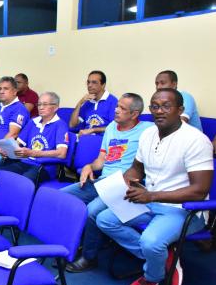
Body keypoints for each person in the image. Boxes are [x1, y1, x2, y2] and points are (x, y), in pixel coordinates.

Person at [96, 89, 213, 285]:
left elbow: (199, 190)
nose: (160, 111)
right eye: (155, 106)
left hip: (184, 210)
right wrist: (122, 183)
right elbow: (136, 169)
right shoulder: (148, 134)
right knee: (105, 219)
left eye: (166, 106)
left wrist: (151, 196)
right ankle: (163, 257)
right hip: (149, 201)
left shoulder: (196, 140)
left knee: (151, 241)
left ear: (180, 110)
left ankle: (153, 276)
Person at [61, 93, 154, 272]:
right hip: (103, 181)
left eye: (122, 108)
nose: (116, 110)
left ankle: (89, 257)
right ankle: (72, 243)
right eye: (117, 106)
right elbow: (102, 159)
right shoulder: (112, 126)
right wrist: (89, 166)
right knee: (62, 197)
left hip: (122, 185)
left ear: (134, 114)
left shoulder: (147, 130)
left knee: (92, 211)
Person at [0, 92, 68, 183]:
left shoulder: (61, 125)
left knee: (22, 183)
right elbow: (18, 143)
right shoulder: (33, 122)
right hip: (25, 162)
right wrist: (7, 150)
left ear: (56, 107)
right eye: (39, 104)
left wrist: (34, 153)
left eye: (45, 104)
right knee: (1, 174)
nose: (41, 107)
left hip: (44, 167)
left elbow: (62, 153)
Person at [69, 70, 118, 135]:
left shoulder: (113, 101)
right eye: (88, 82)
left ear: (103, 85)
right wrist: (80, 103)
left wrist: (93, 130)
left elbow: (115, 127)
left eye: (94, 82)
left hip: (102, 139)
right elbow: (72, 125)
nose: (89, 85)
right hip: (86, 138)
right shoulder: (87, 102)